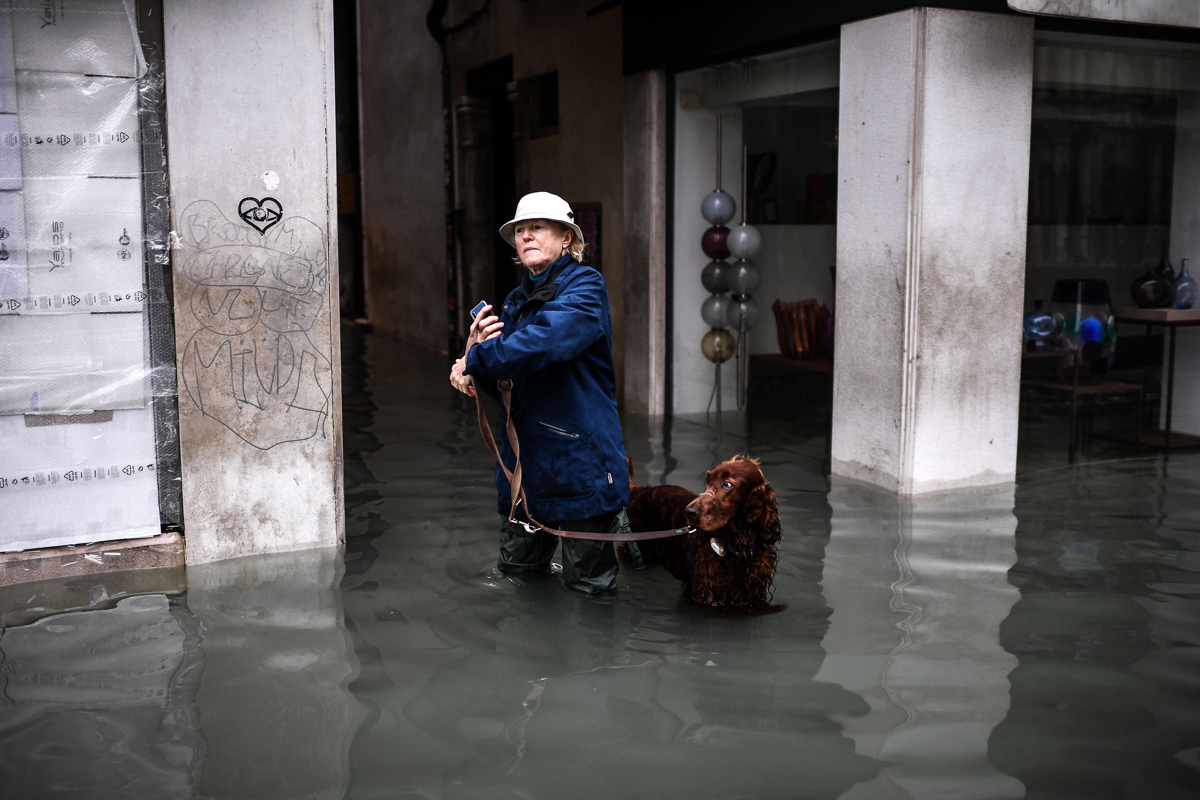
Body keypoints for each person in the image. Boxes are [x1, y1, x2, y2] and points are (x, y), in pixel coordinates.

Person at [450, 192, 630, 596]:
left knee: (590, 593)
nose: (526, 236)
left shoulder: (586, 288)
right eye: (520, 230)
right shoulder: (514, 303)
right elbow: (511, 383)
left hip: (581, 465)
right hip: (525, 471)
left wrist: (477, 359)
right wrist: (470, 373)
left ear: (567, 237)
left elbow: (545, 343)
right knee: (517, 579)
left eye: (537, 228)